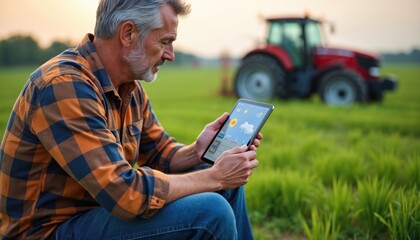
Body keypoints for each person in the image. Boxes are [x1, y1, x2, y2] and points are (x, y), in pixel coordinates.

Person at [0, 0, 262, 239]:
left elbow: (159, 152)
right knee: (211, 208)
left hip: (94, 216)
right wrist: (215, 176)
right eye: (164, 41)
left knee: (226, 186)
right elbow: (124, 193)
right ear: (128, 33)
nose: (170, 54)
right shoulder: (63, 85)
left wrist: (197, 152)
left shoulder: (129, 88)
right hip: (47, 232)